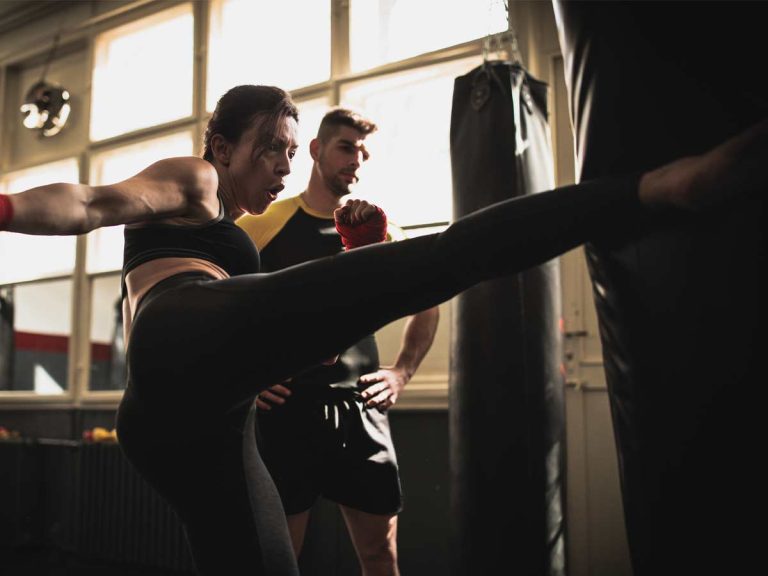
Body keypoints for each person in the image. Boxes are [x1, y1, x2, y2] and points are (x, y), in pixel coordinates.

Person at [1, 83, 764, 576]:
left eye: (290, 153)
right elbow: (94, 204)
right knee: (444, 256)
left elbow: (307, 335)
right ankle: (660, 188)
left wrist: (358, 281)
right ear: (222, 144)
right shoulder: (196, 183)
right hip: (174, 345)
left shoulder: (247, 239)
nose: (280, 164)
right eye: (270, 147)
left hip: (195, 422)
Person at [238, 107, 439, 575]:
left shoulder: (379, 230)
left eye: (364, 152)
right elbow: (220, 305)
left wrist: (402, 371)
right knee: (280, 559)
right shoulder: (263, 223)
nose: (357, 160)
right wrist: (247, 377)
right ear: (315, 150)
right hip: (287, 409)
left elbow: (428, 302)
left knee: (380, 554)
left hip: (360, 409)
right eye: (346, 147)